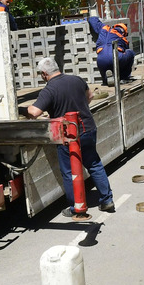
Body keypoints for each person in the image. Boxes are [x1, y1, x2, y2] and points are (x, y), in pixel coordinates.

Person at [26, 57, 115, 215]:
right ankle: (107, 200)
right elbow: (90, 96)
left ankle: (76, 206)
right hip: (88, 128)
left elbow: (34, 112)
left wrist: (25, 109)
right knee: (94, 163)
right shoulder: (77, 79)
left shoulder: (50, 89)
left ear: (44, 74)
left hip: (69, 135)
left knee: (69, 171)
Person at [87, 17, 135, 86]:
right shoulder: (123, 39)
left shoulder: (104, 29)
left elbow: (92, 19)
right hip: (115, 58)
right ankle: (123, 77)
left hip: (101, 60)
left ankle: (106, 79)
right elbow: (125, 53)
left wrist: (93, 18)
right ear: (124, 32)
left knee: (105, 67)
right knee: (130, 53)